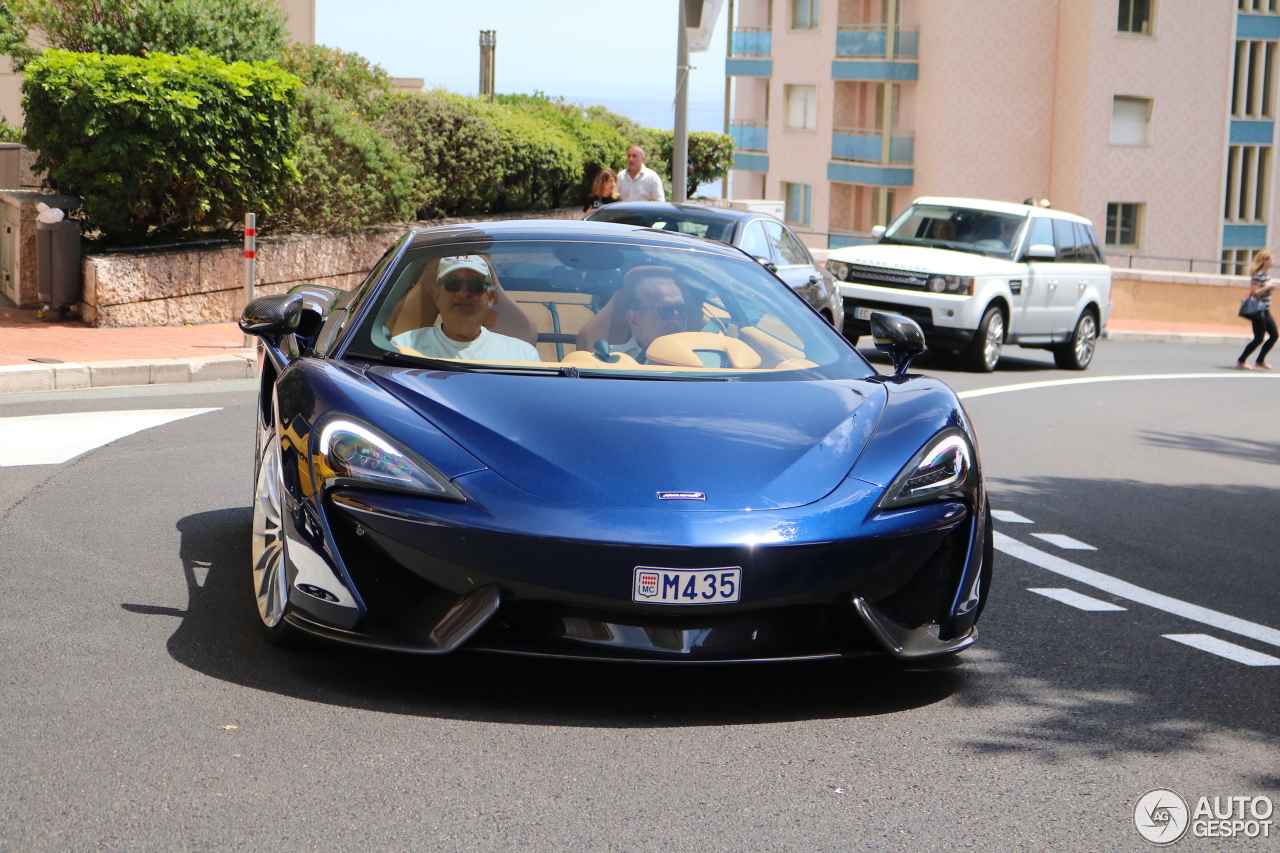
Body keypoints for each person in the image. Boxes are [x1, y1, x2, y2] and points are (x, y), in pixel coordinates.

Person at [390, 255, 540, 362]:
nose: (463, 293)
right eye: (452, 284)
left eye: (474, 285)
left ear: (490, 297)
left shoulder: (522, 356)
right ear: (436, 296)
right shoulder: (401, 348)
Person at [616, 266, 689, 360]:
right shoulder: (606, 363)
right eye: (665, 310)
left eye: (682, 309)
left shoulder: (707, 361)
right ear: (634, 321)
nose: (677, 317)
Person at [1237, 249, 1277, 370]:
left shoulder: (1266, 275)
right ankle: (1241, 360)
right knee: (1259, 338)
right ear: (1264, 261)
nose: (1273, 262)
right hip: (1258, 311)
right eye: (1271, 259)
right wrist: (1267, 287)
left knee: (1274, 335)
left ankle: (1260, 360)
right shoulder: (1258, 275)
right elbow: (1254, 293)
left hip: (1266, 310)